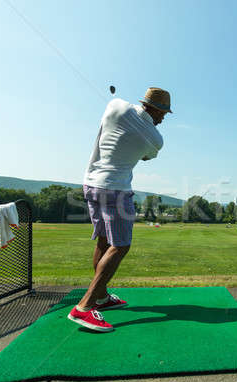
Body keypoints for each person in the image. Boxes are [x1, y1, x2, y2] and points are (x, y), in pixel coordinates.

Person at [67, 87, 172, 332]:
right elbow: (146, 157)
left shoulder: (115, 106)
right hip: (116, 190)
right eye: (163, 112)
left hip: (91, 184)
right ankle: (84, 307)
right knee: (120, 245)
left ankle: (101, 297)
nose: (163, 118)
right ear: (154, 108)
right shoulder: (155, 138)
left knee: (104, 242)